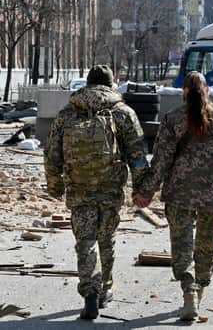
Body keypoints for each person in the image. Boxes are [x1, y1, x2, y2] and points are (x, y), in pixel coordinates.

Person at [134, 71, 213, 321]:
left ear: (183, 92)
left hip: (179, 194)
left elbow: (161, 161)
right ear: (207, 91)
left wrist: (146, 192)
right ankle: (199, 293)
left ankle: (189, 293)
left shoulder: (172, 120)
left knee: (182, 246)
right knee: (205, 247)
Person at [44, 65, 148, 320]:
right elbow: (137, 157)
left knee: (85, 241)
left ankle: (90, 294)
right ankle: (105, 289)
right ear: (111, 85)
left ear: (87, 84)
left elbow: (52, 155)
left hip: (79, 188)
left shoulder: (67, 113)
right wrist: (141, 189)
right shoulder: (122, 113)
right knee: (106, 239)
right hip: (110, 188)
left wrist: (55, 186)